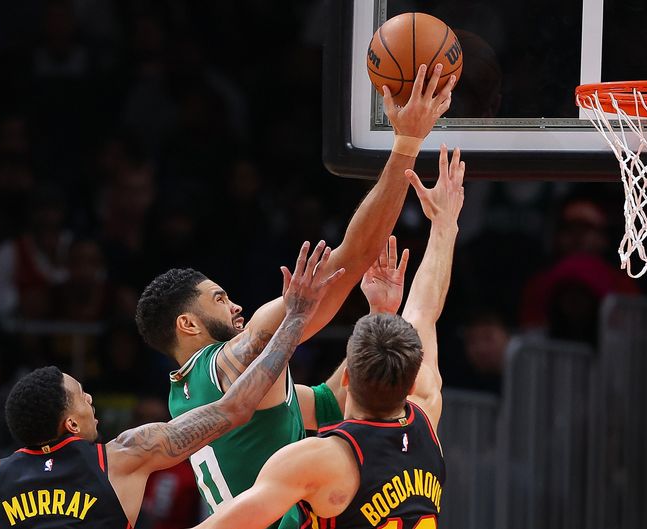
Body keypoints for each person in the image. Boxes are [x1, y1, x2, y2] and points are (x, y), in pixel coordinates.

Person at [135, 65, 456, 526]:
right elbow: (354, 256)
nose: (237, 305)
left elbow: (341, 398)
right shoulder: (228, 362)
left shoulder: (190, 393)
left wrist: (379, 316)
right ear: (187, 324)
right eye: (219, 299)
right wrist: (406, 144)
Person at [0, 240, 343, 529]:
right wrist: (295, 318)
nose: (90, 397)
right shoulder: (122, 457)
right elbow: (235, 408)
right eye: (80, 396)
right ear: (71, 425)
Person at [190, 146, 465, 529]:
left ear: (347, 377)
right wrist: (445, 225)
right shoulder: (426, 411)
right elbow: (424, 311)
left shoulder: (320, 460)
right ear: (412, 378)